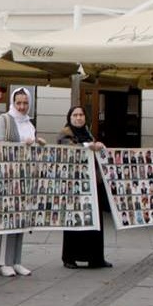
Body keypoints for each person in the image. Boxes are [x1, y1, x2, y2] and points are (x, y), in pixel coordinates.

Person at [0, 87, 44, 277]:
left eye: (25, 103)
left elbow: (31, 144)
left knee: (21, 218)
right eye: (18, 103)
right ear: (13, 103)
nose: (22, 107)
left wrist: (37, 143)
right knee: (8, 217)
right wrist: (22, 146)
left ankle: (17, 260)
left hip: (26, 177)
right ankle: (4, 261)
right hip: (9, 177)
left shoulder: (29, 123)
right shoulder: (5, 119)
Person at [58, 106, 112, 269]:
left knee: (94, 221)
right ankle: (70, 258)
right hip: (74, 184)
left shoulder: (88, 133)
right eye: (75, 115)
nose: (79, 118)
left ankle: (95, 257)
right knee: (74, 221)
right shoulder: (65, 133)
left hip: (91, 184)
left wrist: (98, 146)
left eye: (81, 115)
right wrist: (90, 146)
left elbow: (93, 151)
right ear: (70, 117)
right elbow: (70, 149)